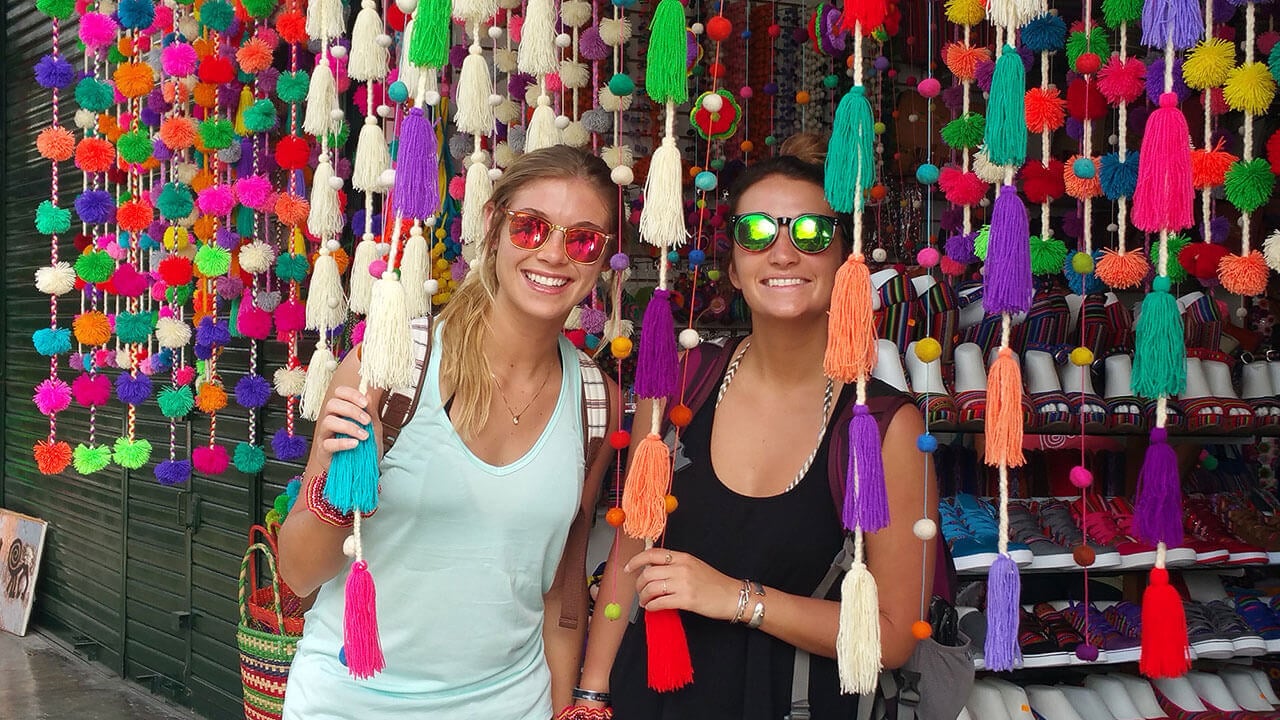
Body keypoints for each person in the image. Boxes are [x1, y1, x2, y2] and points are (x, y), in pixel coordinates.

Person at [574, 135, 938, 719]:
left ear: (847, 265)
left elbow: (891, 638)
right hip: (656, 696)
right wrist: (591, 695)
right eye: (757, 234)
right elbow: (631, 548)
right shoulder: (680, 383)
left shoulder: (882, 427)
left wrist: (735, 599)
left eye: (812, 233)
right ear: (735, 271)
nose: (784, 253)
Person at [278, 145, 620, 718]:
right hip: (353, 702)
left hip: (512, 703)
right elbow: (298, 571)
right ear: (493, 227)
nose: (555, 254)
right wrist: (342, 481)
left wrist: (570, 706)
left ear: (603, 258)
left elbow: (562, 591)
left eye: (583, 239)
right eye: (532, 228)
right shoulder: (388, 368)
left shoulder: (595, 399)